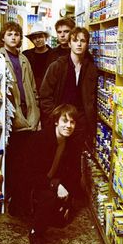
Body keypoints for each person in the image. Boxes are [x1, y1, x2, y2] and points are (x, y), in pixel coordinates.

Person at [39, 26, 98, 198]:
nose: (79, 44)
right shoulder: (57, 66)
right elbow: (45, 95)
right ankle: (52, 193)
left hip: (79, 122)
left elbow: (90, 98)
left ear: (87, 44)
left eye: (83, 41)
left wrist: (87, 122)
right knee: (55, 157)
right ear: (70, 42)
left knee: (73, 158)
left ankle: (70, 197)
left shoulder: (90, 68)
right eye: (75, 40)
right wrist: (55, 117)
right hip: (59, 121)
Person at [0, 21, 40, 215]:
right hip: (11, 118)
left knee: (27, 162)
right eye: (10, 34)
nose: (14, 37)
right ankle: (11, 199)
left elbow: (32, 87)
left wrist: (36, 111)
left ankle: (22, 201)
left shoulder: (23, 59)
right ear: (3, 37)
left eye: (17, 34)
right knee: (12, 161)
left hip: (28, 114)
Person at [24, 104, 79, 244]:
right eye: (65, 121)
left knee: (61, 222)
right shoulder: (39, 139)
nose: (68, 126)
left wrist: (69, 197)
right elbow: (29, 175)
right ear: (56, 121)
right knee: (48, 197)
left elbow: (74, 173)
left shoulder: (72, 143)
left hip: (54, 181)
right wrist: (55, 185)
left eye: (72, 122)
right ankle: (36, 233)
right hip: (34, 184)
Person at [22, 22, 56, 92]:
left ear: (45, 37)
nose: (37, 40)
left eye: (40, 37)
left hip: (51, 92)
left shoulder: (55, 54)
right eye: (34, 38)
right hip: (32, 91)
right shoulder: (26, 55)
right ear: (31, 40)